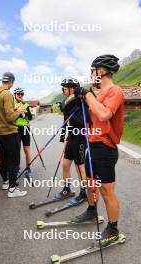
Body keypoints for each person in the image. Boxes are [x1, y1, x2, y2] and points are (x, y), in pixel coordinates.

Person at [74, 55, 125, 246]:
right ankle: (91, 210)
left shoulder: (115, 91)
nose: (90, 74)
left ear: (101, 71)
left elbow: (104, 115)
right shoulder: (98, 94)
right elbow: (91, 118)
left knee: (106, 190)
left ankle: (113, 228)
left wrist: (87, 95)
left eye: (92, 70)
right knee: (89, 183)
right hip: (92, 145)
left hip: (105, 148)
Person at [0, 72, 27, 198]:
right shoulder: (7, 94)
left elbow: (1, 114)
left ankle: (6, 182)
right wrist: (19, 110)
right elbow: (10, 116)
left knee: (4, 158)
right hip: (10, 132)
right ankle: (13, 189)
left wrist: (15, 111)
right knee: (14, 160)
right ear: (11, 81)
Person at [54, 77, 88, 206]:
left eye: (65, 88)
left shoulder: (81, 101)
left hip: (80, 137)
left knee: (80, 168)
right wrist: (63, 135)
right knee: (65, 165)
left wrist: (73, 111)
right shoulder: (67, 102)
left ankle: (84, 193)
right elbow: (65, 120)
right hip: (71, 137)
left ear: (72, 89)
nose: (63, 90)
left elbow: (84, 121)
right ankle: (67, 189)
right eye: (62, 87)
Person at [13, 87, 34, 178]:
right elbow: (11, 117)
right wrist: (18, 113)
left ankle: (28, 169)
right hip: (15, 129)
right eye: (18, 94)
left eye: (22, 94)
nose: (20, 95)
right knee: (16, 151)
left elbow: (30, 117)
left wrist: (25, 112)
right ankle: (17, 169)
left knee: (27, 150)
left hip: (25, 128)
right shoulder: (12, 104)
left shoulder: (25, 104)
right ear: (15, 95)